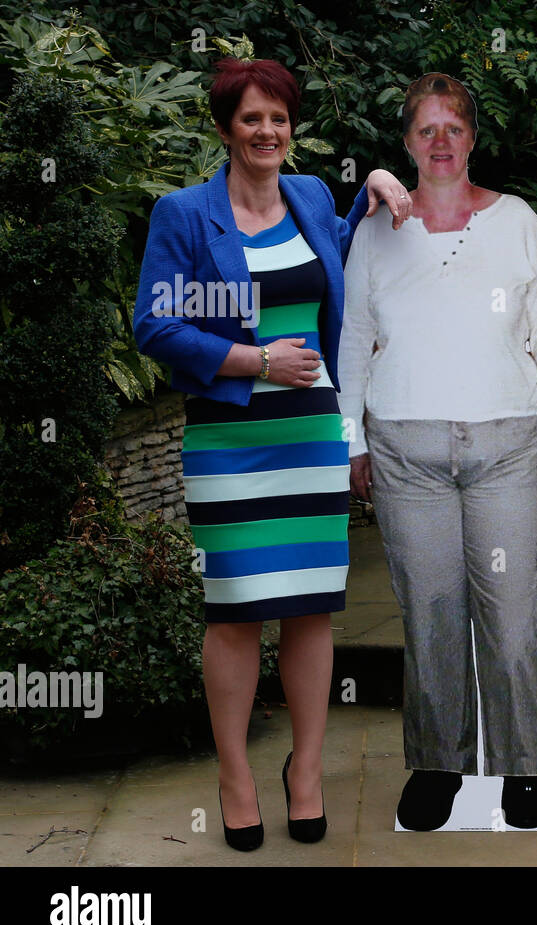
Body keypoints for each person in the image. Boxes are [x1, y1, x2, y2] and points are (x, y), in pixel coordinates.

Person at [132, 58, 412, 851]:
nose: (267, 132)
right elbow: (153, 326)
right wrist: (254, 362)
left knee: (312, 610)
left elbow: (342, 248)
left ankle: (307, 773)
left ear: (292, 128)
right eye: (251, 119)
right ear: (225, 128)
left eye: (279, 119)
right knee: (235, 614)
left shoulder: (312, 197)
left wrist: (380, 181)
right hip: (229, 440)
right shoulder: (185, 215)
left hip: (310, 438)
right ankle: (235, 779)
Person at [339, 74, 537, 831]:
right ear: (408, 143)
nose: (440, 140)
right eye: (426, 129)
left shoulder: (517, 223)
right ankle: (438, 764)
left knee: (512, 616)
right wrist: (350, 438)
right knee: (432, 612)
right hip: (406, 450)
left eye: (454, 127)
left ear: (472, 138)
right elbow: (352, 338)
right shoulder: (377, 231)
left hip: (506, 444)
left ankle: (523, 767)